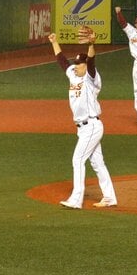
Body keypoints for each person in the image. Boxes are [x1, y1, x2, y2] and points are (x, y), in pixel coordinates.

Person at [49, 27, 116, 210]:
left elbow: (92, 62)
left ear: (85, 66)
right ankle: (110, 197)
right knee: (97, 163)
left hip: (92, 125)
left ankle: (76, 199)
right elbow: (62, 62)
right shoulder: (73, 73)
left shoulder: (91, 77)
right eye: (76, 63)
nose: (77, 66)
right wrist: (54, 42)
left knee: (77, 160)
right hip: (83, 128)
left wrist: (92, 44)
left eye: (80, 64)